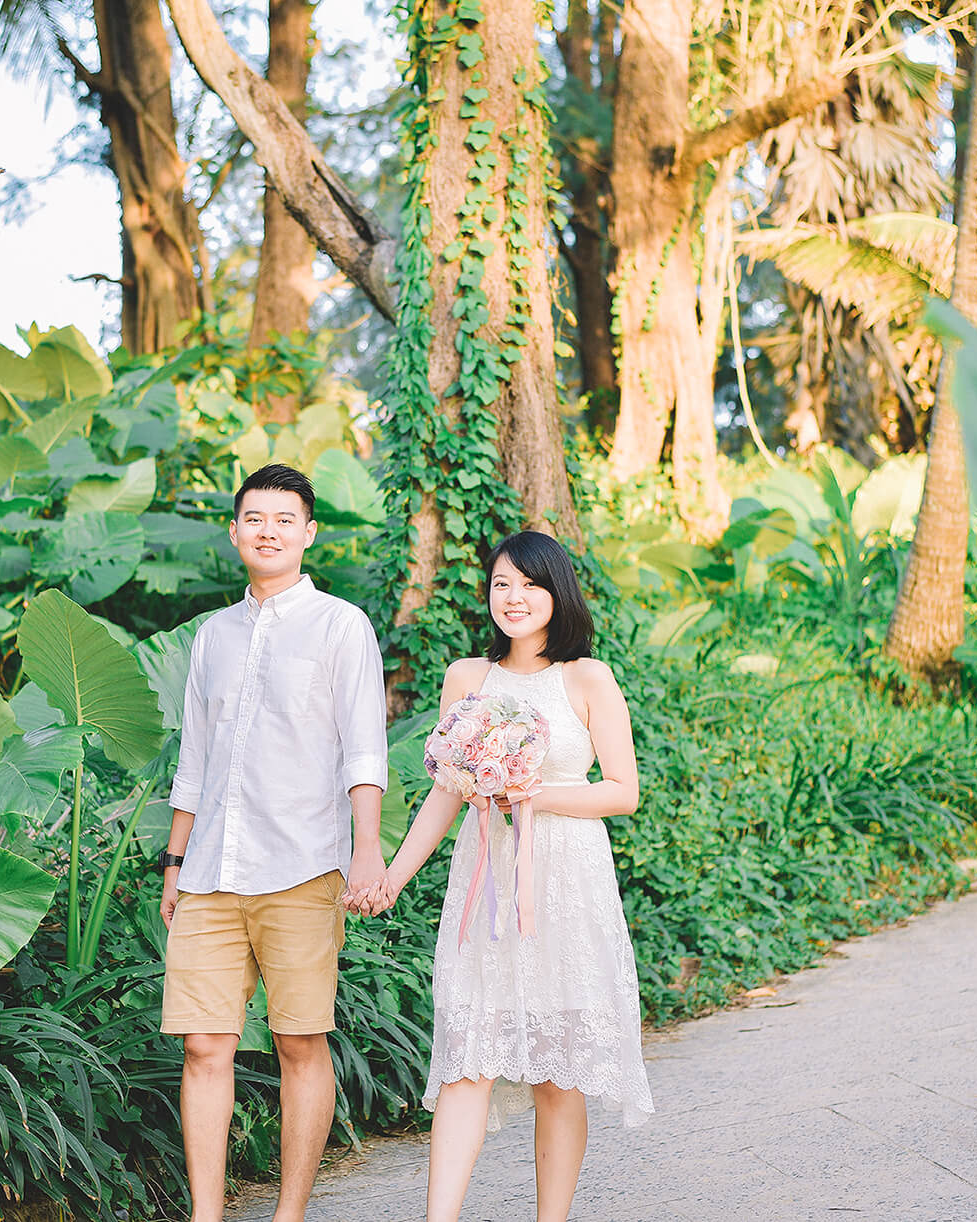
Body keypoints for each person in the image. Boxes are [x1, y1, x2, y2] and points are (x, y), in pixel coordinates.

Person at [357, 529, 653, 1222]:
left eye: (529, 584)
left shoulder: (589, 678)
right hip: (484, 879)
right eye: (500, 585)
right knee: (467, 1058)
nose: (513, 598)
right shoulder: (467, 678)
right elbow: (444, 793)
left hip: (567, 882)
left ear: (558, 593)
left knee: (557, 1074)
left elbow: (622, 791)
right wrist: (394, 878)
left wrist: (532, 794)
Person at [159, 462, 391, 1222]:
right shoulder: (211, 638)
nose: (268, 531)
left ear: (308, 532)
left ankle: (289, 1213)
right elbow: (195, 758)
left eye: (283, 519)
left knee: (299, 1045)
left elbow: (363, 748)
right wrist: (173, 860)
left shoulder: (341, 626)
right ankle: (208, 1214)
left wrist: (367, 849)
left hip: (301, 863)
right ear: (235, 531)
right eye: (254, 518)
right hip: (209, 870)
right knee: (203, 1047)